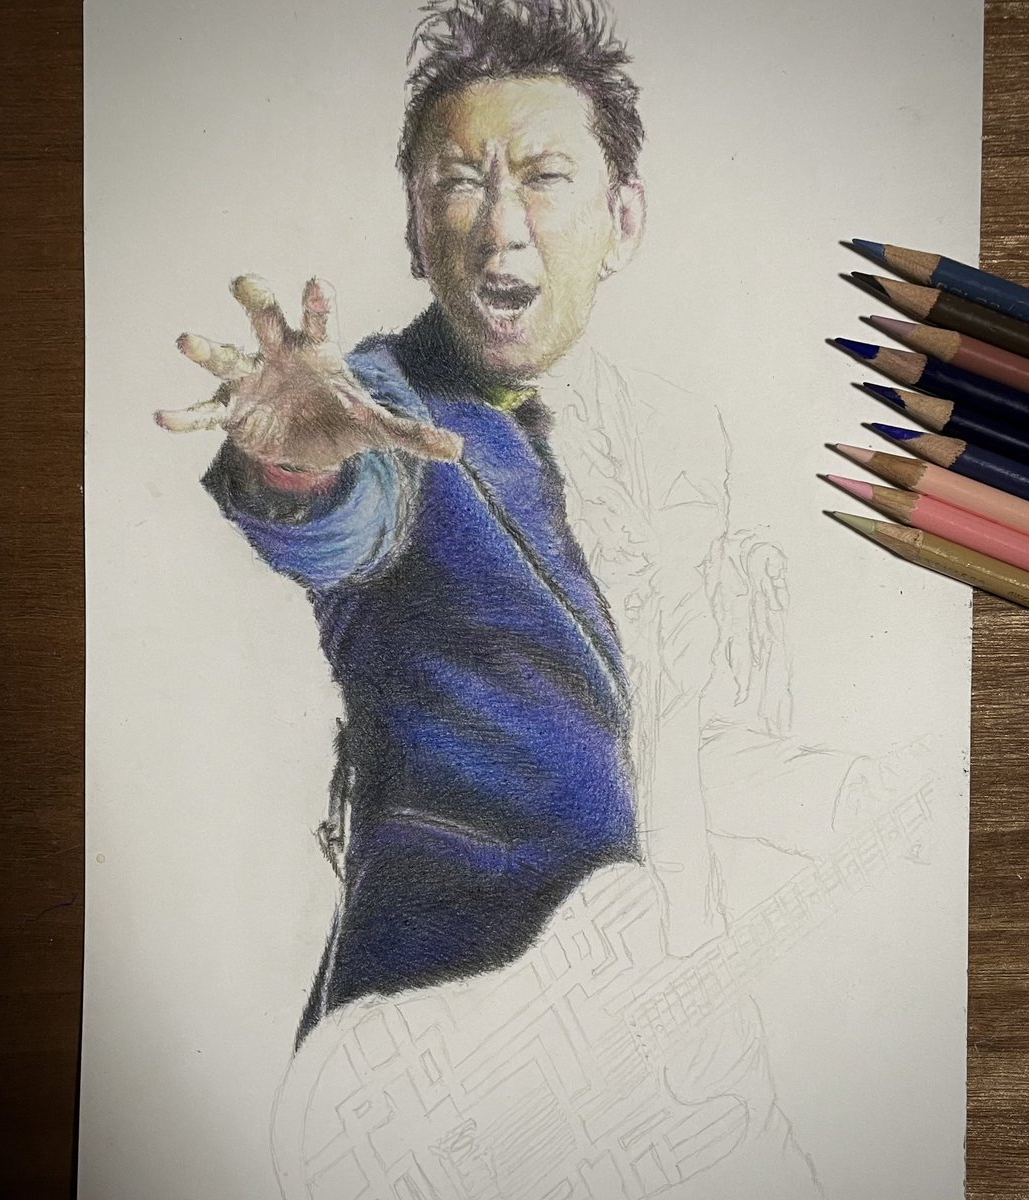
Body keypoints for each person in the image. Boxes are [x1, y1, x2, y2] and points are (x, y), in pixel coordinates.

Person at [158, 0, 655, 1043]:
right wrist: (294, 464)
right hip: (429, 1025)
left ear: (622, 221)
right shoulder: (380, 403)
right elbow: (351, 511)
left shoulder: (583, 438)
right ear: (415, 233)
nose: (499, 224)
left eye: (543, 177)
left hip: (583, 1026)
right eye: (459, 182)